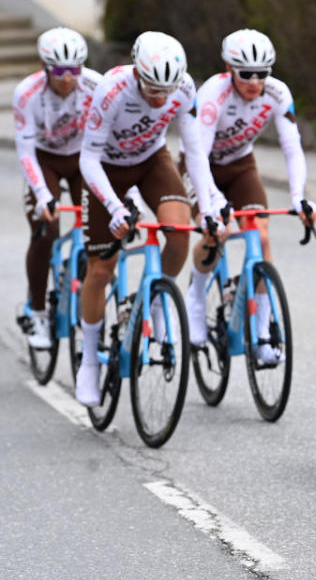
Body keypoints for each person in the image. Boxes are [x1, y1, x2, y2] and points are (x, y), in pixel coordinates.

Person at [74, 31, 222, 406]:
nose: (160, 97)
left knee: (178, 230)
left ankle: (158, 301)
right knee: (101, 270)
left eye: (166, 90)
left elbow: (195, 152)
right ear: (137, 73)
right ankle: (89, 360)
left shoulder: (184, 88)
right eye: (152, 89)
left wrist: (208, 208)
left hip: (151, 161)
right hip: (105, 169)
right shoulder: (112, 90)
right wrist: (114, 207)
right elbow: (87, 159)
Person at [183, 29, 316, 363]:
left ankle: (261, 333)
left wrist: (299, 196)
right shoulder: (213, 93)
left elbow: (292, 148)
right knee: (218, 230)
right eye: (246, 74)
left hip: (241, 164)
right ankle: (196, 298)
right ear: (229, 68)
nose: (255, 81)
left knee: (261, 233)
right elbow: (199, 157)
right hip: (200, 164)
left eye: (263, 73)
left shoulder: (277, 93)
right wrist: (214, 200)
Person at [13, 27, 102, 349]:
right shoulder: (27, 93)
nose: (67, 78)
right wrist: (43, 195)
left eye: (74, 69)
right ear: (44, 66)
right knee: (46, 231)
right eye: (60, 70)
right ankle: (36, 310)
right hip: (44, 159)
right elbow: (24, 152)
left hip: (82, 158)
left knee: (100, 229)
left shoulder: (95, 85)